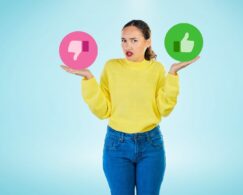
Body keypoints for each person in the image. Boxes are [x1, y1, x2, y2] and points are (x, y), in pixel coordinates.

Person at [61, 19, 199, 195]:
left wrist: (172, 73)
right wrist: (88, 78)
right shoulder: (111, 67)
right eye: (124, 40)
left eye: (134, 40)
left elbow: (164, 109)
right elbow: (103, 111)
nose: (128, 45)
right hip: (116, 145)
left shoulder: (156, 69)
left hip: (151, 144)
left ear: (147, 42)